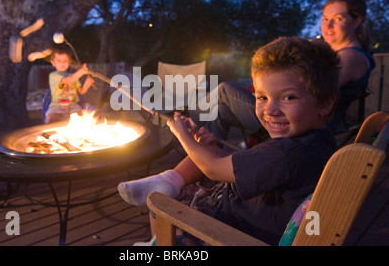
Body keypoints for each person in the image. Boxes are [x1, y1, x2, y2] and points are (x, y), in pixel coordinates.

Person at [118, 36, 340, 245]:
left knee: (159, 203)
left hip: (228, 227)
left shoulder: (287, 153)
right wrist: (211, 149)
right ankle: (167, 182)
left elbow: (214, 170)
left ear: (325, 104)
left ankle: (161, 242)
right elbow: (249, 167)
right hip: (240, 210)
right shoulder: (316, 142)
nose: (270, 110)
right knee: (194, 166)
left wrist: (183, 136)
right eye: (262, 97)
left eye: (288, 97)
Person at [191, 0, 374, 140]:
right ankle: (196, 168)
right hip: (292, 114)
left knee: (225, 90)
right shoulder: (339, 54)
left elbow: (306, 88)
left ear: (357, 21)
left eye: (338, 19)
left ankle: (183, 124)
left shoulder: (350, 56)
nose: (328, 25)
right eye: (325, 19)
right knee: (220, 110)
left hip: (298, 123)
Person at [45, 45, 94, 124]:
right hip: (57, 105)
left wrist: (87, 84)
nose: (62, 63)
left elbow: (81, 91)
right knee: (51, 117)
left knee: (81, 117)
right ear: (53, 63)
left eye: (65, 61)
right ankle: (49, 135)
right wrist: (81, 72)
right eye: (59, 61)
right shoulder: (53, 75)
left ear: (69, 62)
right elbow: (68, 80)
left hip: (72, 105)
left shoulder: (73, 76)